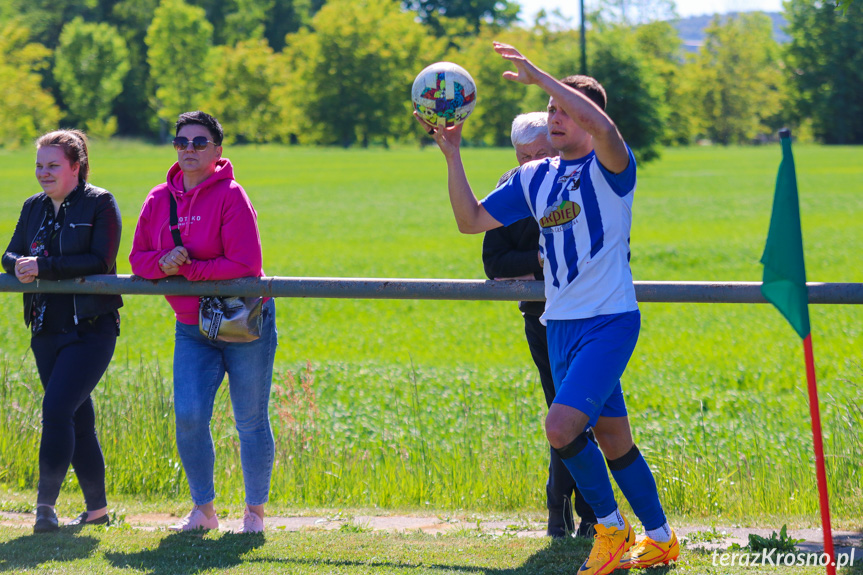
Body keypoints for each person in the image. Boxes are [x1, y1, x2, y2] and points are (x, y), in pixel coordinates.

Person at [417, 43, 678, 573]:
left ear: (587, 117)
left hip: (608, 321)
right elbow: (470, 220)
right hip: (557, 324)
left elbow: (604, 128)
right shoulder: (535, 176)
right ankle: (662, 537)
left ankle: (609, 530)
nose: (554, 116)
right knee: (613, 438)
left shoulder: (612, 165)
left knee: (560, 428)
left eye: (564, 110)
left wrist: (541, 78)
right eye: (552, 110)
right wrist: (452, 155)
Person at [129, 111, 277, 534]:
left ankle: (254, 514)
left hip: (243, 323)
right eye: (181, 142)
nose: (188, 149)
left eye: (198, 142)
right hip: (192, 327)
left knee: (249, 419)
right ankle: (204, 511)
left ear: (217, 150)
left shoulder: (231, 194)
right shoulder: (158, 199)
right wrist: (162, 261)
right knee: (190, 416)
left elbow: (246, 264)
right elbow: (137, 259)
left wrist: (186, 271)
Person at [482, 112, 596, 539]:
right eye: (523, 155)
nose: (532, 163)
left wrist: (537, 267)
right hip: (539, 318)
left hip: (589, 314)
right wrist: (544, 262)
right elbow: (494, 263)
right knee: (562, 413)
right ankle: (568, 512)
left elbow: (591, 253)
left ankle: (574, 511)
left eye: (542, 154)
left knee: (586, 411)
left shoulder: (579, 180)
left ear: (558, 146)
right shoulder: (510, 187)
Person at [2, 130, 122, 533]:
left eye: (53, 165)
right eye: (39, 165)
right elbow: (11, 252)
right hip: (44, 329)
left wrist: (42, 266)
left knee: (55, 410)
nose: (43, 173)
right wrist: (17, 263)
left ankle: (44, 508)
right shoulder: (33, 207)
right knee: (76, 416)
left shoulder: (100, 203)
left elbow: (100, 259)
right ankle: (98, 511)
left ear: (76, 166)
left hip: (91, 328)